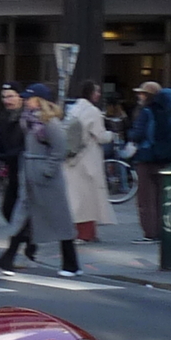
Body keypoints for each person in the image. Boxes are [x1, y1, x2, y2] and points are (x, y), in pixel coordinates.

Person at [0, 85, 79, 273]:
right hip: (32, 177)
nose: (26, 101)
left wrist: (47, 171)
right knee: (23, 216)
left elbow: (59, 149)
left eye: (30, 98)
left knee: (60, 221)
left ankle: (72, 264)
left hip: (46, 180)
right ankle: (6, 259)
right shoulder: (31, 121)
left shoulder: (49, 123)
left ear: (40, 100)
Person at [124, 81, 171, 241]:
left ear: (147, 95)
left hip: (146, 158)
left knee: (146, 199)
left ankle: (150, 233)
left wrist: (131, 136)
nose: (139, 96)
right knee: (163, 197)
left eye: (141, 93)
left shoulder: (147, 111)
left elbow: (137, 134)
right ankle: (164, 231)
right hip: (165, 158)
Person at [63, 80, 116, 244]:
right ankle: (85, 234)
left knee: (76, 197)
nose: (99, 94)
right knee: (89, 198)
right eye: (97, 91)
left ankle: (82, 232)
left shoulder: (74, 109)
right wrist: (112, 134)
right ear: (90, 93)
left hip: (72, 159)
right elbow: (100, 136)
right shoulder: (93, 111)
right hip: (88, 159)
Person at [0, 84, 25, 225]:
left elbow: (26, 145)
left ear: (20, 97)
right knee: (8, 208)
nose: (6, 100)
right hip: (13, 168)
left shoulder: (27, 118)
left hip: (26, 168)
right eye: (3, 97)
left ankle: (22, 242)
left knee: (20, 208)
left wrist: (7, 154)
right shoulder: (4, 117)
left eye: (10, 96)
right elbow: (2, 140)